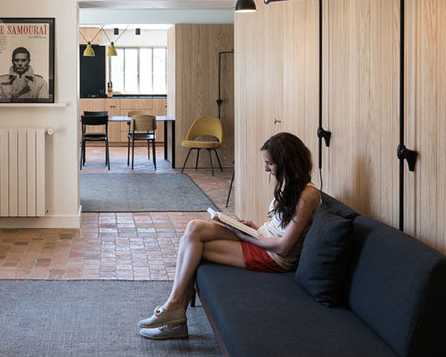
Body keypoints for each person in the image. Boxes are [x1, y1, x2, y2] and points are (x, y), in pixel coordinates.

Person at [137, 132, 321, 340]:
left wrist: (245, 236)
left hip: (274, 257)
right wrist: (255, 228)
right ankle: (174, 307)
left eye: (270, 163)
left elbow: (283, 247)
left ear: (287, 162)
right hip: (261, 239)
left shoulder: (308, 195)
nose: (266, 169)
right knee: (194, 228)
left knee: (194, 250)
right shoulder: (288, 184)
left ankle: (174, 313)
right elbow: (279, 227)